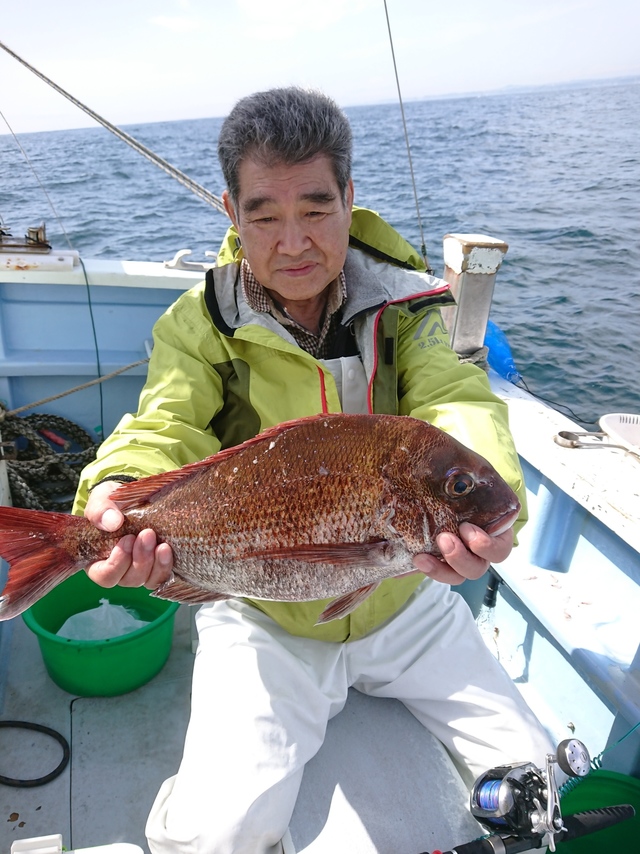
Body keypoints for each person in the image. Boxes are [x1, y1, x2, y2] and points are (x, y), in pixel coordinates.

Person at [74, 87, 553, 853]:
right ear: (232, 211)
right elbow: (165, 422)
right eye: (264, 214)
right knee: (215, 836)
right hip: (264, 613)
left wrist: (488, 493)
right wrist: (112, 498)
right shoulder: (198, 324)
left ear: (350, 200)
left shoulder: (409, 306)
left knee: (540, 785)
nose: (293, 241)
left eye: (316, 208)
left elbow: (456, 399)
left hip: (405, 595)